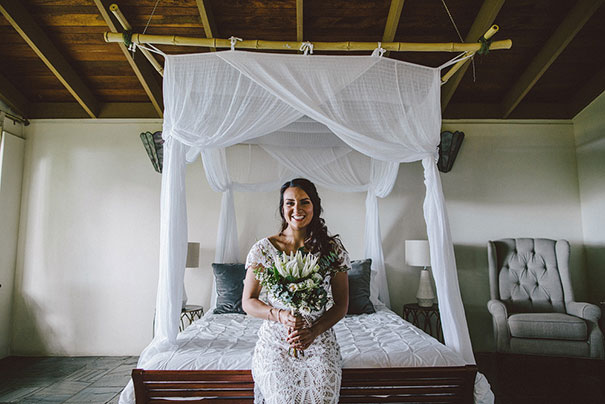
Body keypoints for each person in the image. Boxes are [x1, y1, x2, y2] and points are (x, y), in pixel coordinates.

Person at [242, 178, 350, 404]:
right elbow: (248, 301)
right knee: (284, 399)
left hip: (319, 338)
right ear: (282, 208)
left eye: (304, 202)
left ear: (315, 206)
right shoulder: (263, 250)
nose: (297, 209)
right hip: (277, 341)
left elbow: (341, 304)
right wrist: (279, 315)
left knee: (321, 398)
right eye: (290, 203)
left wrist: (313, 331)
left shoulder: (332, 250)